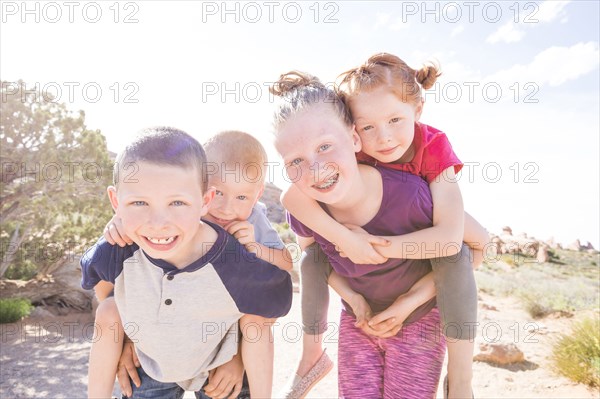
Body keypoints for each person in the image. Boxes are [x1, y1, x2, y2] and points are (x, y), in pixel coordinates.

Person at [281, 54, 488, 398]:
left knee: (467, 248)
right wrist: (346, 239)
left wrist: (373, 245)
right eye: (368, 126)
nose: (385, 138)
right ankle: (311, 356)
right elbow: (293, 198)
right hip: (375, 280)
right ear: (352, 130)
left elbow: (451, 239)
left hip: (432, 238)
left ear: (418, 110)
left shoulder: (431, 145)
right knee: (312, 256)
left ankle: (461, 377)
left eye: (395, 120)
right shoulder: (353, 152)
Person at [81, 127, 292, 399]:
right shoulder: (135, 237)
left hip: (220, 355)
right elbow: (107, 292)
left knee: (254, 321)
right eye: (139, 203)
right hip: (155, 361)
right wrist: (129, 338)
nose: (226, 208)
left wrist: (237, 356)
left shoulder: (241, 239)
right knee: (109, 310)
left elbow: (269, 305)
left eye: (177, 202)